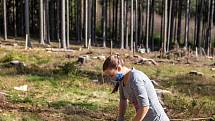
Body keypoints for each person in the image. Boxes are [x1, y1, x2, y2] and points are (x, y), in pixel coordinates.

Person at [103, 55, 169, 121]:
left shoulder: (136, 78)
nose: (111, 78)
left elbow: (144, 107)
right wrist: (120, 117)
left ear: (119, 68)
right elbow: (123, 100)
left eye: (111, 75)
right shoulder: (121, 80)